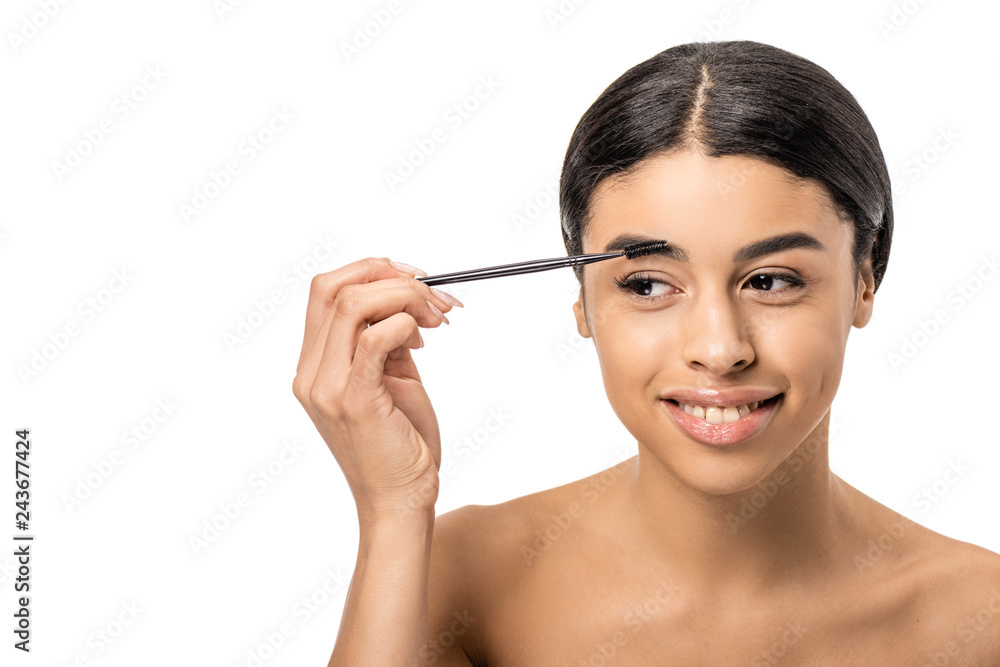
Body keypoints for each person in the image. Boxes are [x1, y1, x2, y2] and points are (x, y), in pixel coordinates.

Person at [293, 40, 1000, 665]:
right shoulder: (458, 575)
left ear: (865, 282)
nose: (719, 348)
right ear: (583, 301)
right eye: (650, 284)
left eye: (772, 280)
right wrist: (392, 509)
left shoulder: (981, 618)